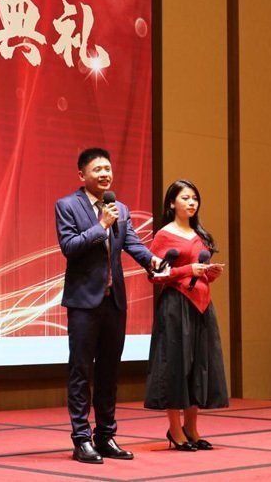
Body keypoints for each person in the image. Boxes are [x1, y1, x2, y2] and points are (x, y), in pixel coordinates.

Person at [55, 147, 162, 464]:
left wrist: (152, 261)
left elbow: (132, 244)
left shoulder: (120, 209)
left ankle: (105, 436)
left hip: (114, 302)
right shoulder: (67, 206)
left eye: (108, 169)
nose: (105, 174)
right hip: (83, 302)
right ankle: (81, 439)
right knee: (81, 371)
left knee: (109, 371)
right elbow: (69, 247)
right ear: (82, 175)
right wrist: (100, 225)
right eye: (98, 169)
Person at [144, 179, 229, 451]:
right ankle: (175, 429)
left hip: (202, 305)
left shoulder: (199, 234)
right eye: (185, 198)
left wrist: (210, 273)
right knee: (176, 365)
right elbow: (155, 275)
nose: (192, 202)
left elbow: (200, 270)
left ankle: (192, 428)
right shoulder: (164, 235)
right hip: (175, 306)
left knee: (198, 365)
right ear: (172, 203)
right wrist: (187, 270)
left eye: (195, 198)